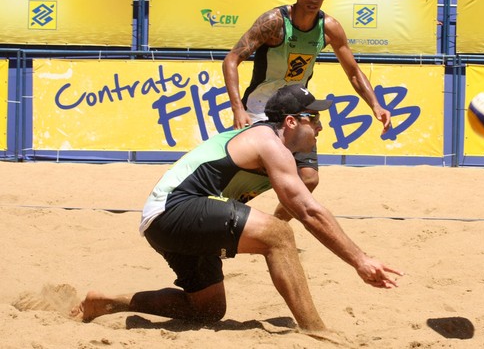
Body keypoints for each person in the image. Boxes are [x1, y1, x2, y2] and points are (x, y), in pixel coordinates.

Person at [71, 84, 403, 334]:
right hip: (176, 210)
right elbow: (308, 211)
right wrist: (360, 260)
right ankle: (318, 333)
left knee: (207, 310)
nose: (320, 126)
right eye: (313, 118)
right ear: (290, 121)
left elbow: (306, 190)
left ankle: (107, 301)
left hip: (166, 222)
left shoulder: (280, 150)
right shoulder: (267, 142)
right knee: (280, 235)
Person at [221, 0, 391, 220]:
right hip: (259, 107)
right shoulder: (274, 22)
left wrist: (375, 105)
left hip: (296, 105)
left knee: (309, 179)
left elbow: (353, 72)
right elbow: (231, 60)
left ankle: (276, 225)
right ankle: (220, 212)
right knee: (252, 176)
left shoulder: (329, 27)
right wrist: (237, 109)